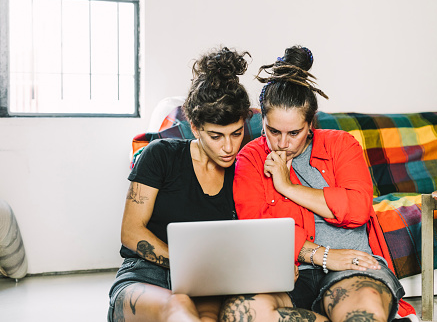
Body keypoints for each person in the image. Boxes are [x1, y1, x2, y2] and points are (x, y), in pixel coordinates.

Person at [221, 46, 414, 322]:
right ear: (261, 119)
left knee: (364, 313)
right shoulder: (250, 158)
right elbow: (257, 228)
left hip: (350, 270)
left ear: (311, 123)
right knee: (239, 313)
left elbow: (358, 209)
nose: (282, 142)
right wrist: (324, 256)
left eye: (294, 132)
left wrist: (288, 187)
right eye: (273, 131)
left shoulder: (341, 145)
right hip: (287, 273)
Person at [107, 47, 252, 322]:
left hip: (208, 283)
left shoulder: (244, 169)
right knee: (177, 307)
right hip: (145, 273)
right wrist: (186, 266)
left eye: (236, 133)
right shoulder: (161, 154)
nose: (229, 147)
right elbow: (130, 232)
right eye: (216, 136)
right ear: (195, 128)